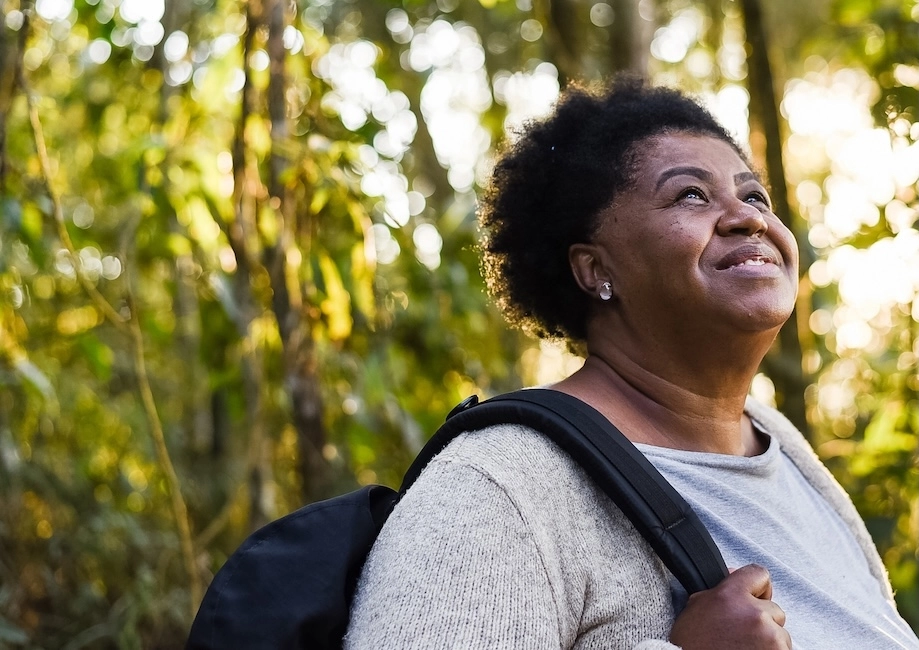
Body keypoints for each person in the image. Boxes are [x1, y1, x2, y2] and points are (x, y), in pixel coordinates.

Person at [344, 77, 919, 648]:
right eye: (690, 195)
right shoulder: (498, 488)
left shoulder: (779, 443)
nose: (748, 218)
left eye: (753, 196)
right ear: (596, 270)